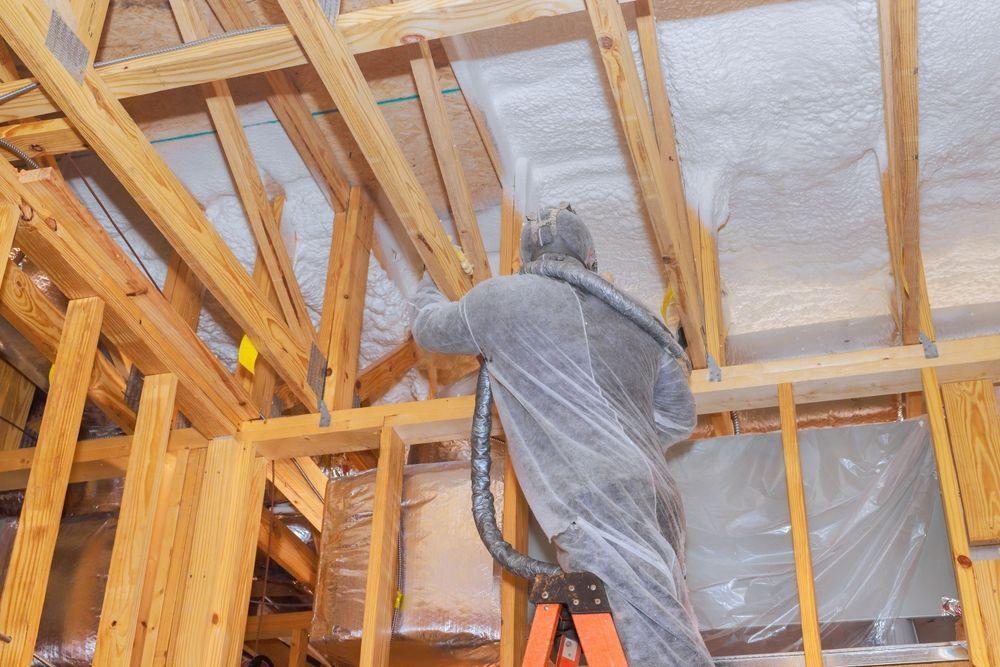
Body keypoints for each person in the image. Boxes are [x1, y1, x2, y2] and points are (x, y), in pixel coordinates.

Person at [411, 203, 713, 666]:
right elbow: (678, 418)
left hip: (594, 497)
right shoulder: (638, 320)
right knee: (671, 620)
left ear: (525, 258)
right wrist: (624, 441)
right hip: (659, 497)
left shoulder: (501, 301)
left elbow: (428, 329)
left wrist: (431, 274)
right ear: (589, 256)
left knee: (657, 644)